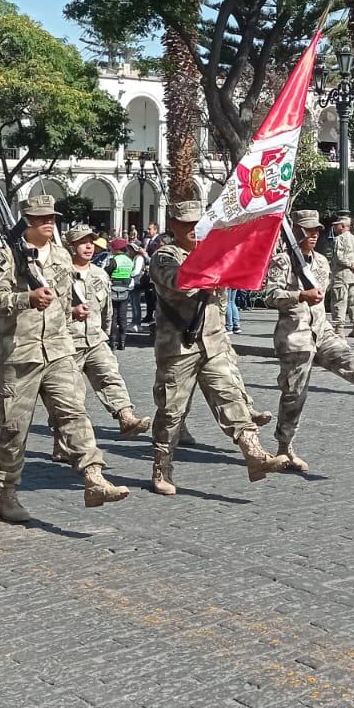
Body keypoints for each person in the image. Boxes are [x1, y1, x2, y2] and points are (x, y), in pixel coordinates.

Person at [0, 196, 130, 521]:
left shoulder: (62, 256)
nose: (48, 223)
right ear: (26, 221)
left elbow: (62, 300)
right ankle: (7, 494)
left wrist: (72, 311)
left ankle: (94, 477)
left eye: (52, 217)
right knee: (13, 430)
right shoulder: (6, 255)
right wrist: (26, 298)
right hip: (20, 354)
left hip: (60, 349)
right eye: (40, 218)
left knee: (74, 413)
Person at [147, 200, 288, 495]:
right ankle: (162, 466)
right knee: (172, 411)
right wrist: (211, 269)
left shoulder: (210, 252)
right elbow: (179, 281)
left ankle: (254, 455)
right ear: (173, 225)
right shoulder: (164, 256)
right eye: (186, 224)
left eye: (197, 223)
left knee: (230, 398)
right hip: (179, 346)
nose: (193, 230)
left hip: (212, 342)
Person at [263, 210, 354, 472]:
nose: (313, 235)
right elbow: (270, 295)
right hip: (295, 336)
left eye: (316, 230)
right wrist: (299, 295)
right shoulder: (282, 262)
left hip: (322, 330)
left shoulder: (321, 261)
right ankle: (284, 448)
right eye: (307, 231)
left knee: (350, 358)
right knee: (294, 395)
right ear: (295, 231)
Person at [60, 222, 154, 445]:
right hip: (67, 342)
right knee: (68, 395)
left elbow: (107, 312)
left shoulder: (100, 274)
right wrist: (70, 312)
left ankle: (126, 417)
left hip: (95, 339)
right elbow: (50, 309)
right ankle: (62, 442)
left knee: (110, 376)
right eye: (82, 243)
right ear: (71, 246)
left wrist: (105, 335)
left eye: (90, 242)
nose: (88, 247)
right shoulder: (60, 275)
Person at [327, 216, 354, 340]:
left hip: (341, 276)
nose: (334, 227)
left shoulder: (338, 240)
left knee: (339, 302)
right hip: (353, 276)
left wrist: (349, 264)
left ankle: (339, 329)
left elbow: (338, 257)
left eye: (336, 225)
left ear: (342, 226)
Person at [106, 238, 137, 349]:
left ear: (116, 249)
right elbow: (131, 272)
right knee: (123, 317)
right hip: (125, 289)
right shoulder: (129, 260)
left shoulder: (114, 260)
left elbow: (107, 272)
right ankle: (122, 342)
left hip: (114, 287)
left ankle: (112, 342)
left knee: (113, 316)